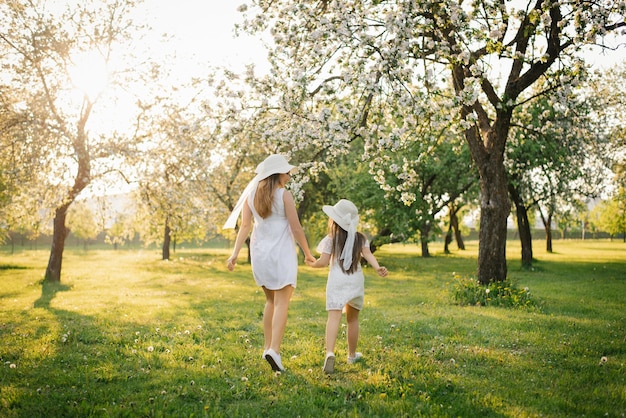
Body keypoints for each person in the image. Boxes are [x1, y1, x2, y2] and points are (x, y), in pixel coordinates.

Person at [224, 154, 315, 372]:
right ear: (278, 174)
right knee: (282, 301)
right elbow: (296, 228)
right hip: (281, 252)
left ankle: (267, 348)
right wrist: (308, 253)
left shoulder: (251, 195)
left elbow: (245, 226)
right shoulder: (284, 195)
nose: (289, 176)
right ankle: (274, 349)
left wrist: (235, 253)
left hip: (260, 253)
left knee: (270, 302)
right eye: (287, 172)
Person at [306, 199, 388, 374]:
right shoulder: (361, 238)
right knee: (353, 320)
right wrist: (377, 267)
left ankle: (329, 352)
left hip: (337, 280)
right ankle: (351, 355)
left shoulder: (331, 240)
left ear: (334, 220)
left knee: (334, 317)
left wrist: (311, 264)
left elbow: (323, 262)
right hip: (355, 280)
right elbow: (368, 254)